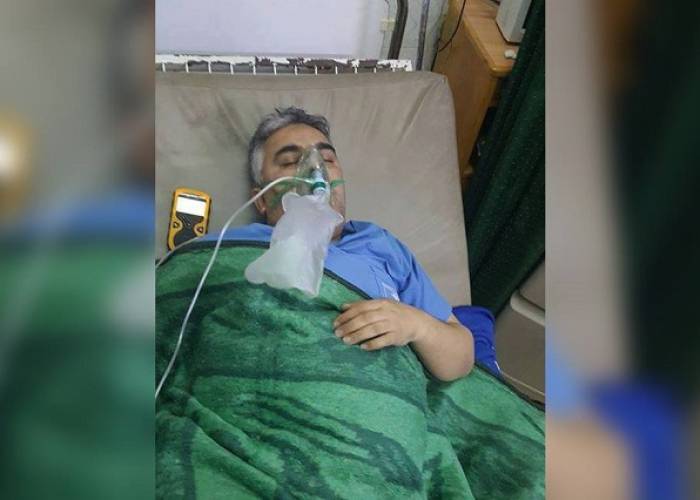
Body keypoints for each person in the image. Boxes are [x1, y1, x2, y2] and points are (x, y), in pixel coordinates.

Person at [227, 106, 474, 382]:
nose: (316, 170)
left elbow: (460, 357)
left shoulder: (379, 245)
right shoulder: (232, 248)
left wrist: (415, 325)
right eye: (290, 161)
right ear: (261, 199)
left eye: (327, 159)